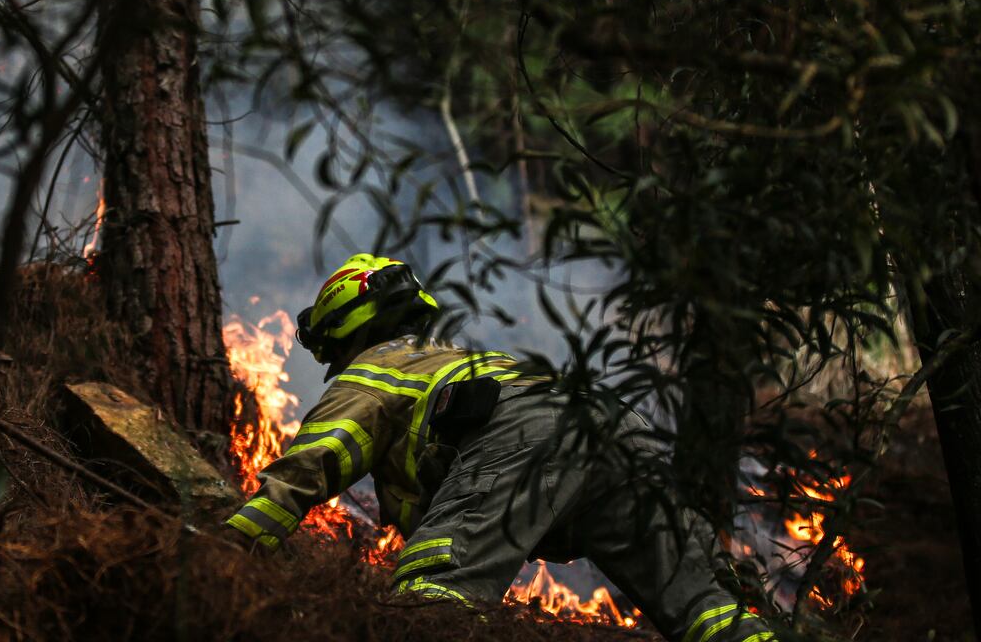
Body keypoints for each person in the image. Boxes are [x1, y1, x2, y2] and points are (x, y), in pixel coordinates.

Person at [224, 254, 775, 642]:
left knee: (432, 596)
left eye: (329, 351)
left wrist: (227, 545)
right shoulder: (456, 360)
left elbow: (309, 466)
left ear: (346, 328)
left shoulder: (375, 371)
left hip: (533, 437)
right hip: (614, 425)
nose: (333, 365)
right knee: (702, 603)